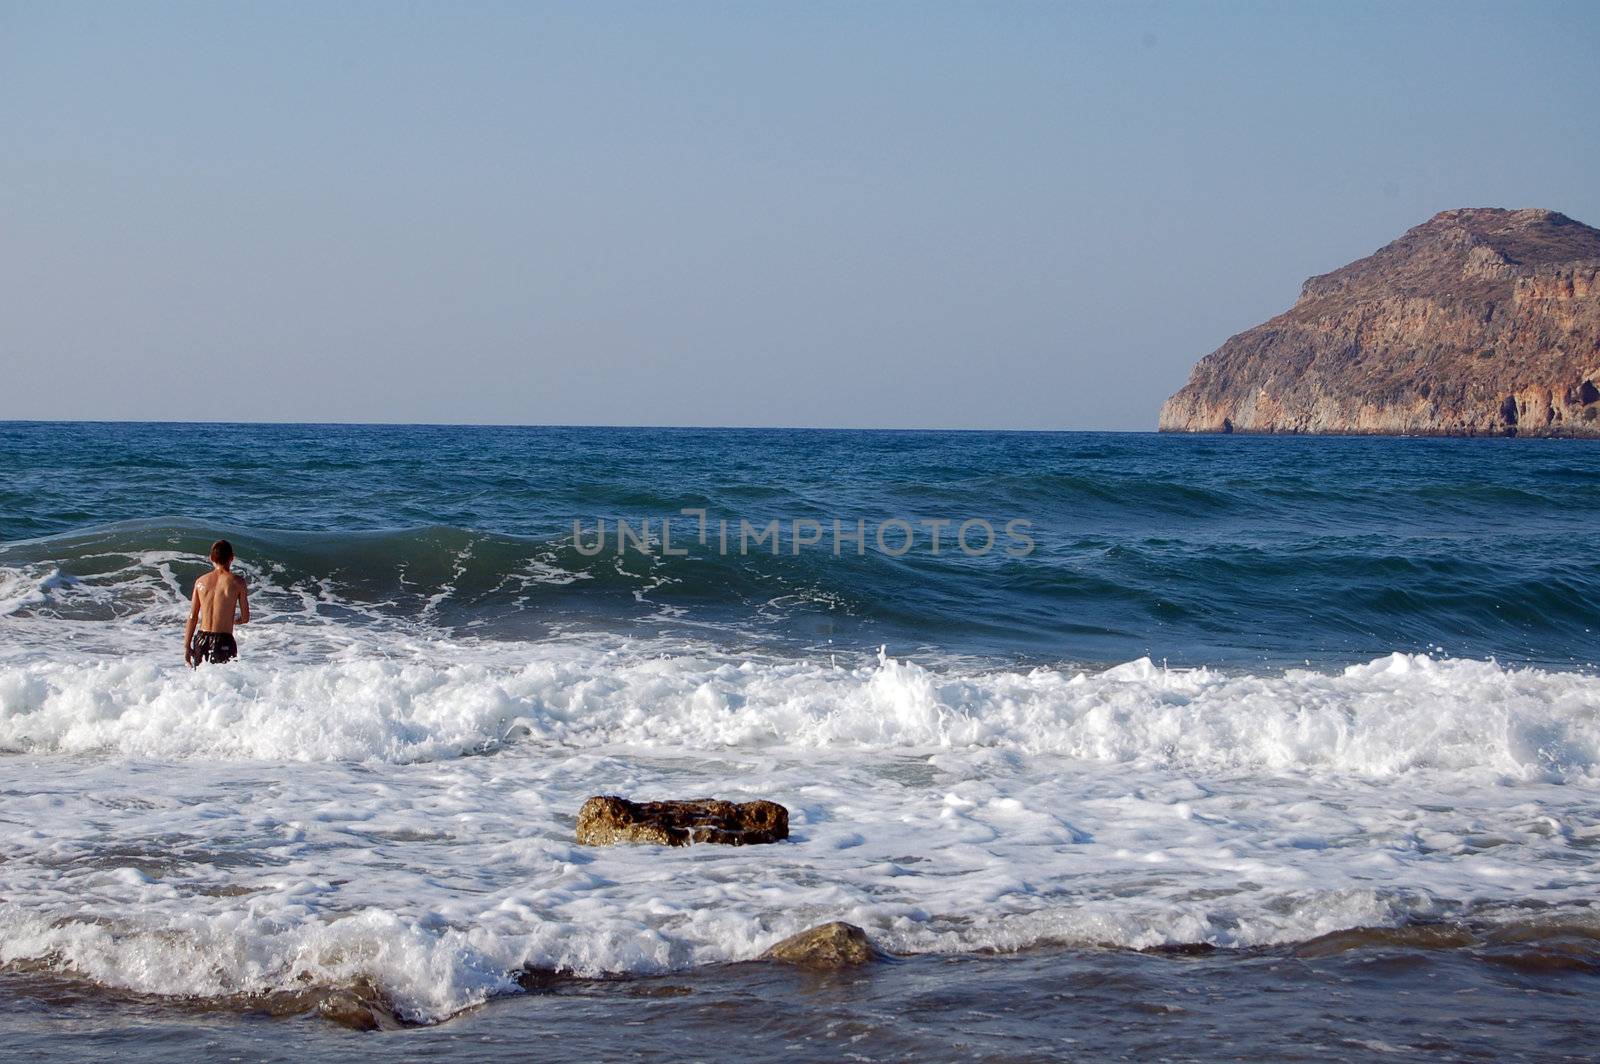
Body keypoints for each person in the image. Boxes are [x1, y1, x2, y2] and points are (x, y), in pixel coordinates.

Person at [185, 539, 250, 666]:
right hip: (223, 641)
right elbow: (246, 618)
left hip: (201, 639)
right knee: (224, 683)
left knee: (202, 681)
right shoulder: (238, 582)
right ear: (232, 557)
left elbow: (192, 617)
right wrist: (233, 620)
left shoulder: (200, 582)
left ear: (211, 558)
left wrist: (186, 646)